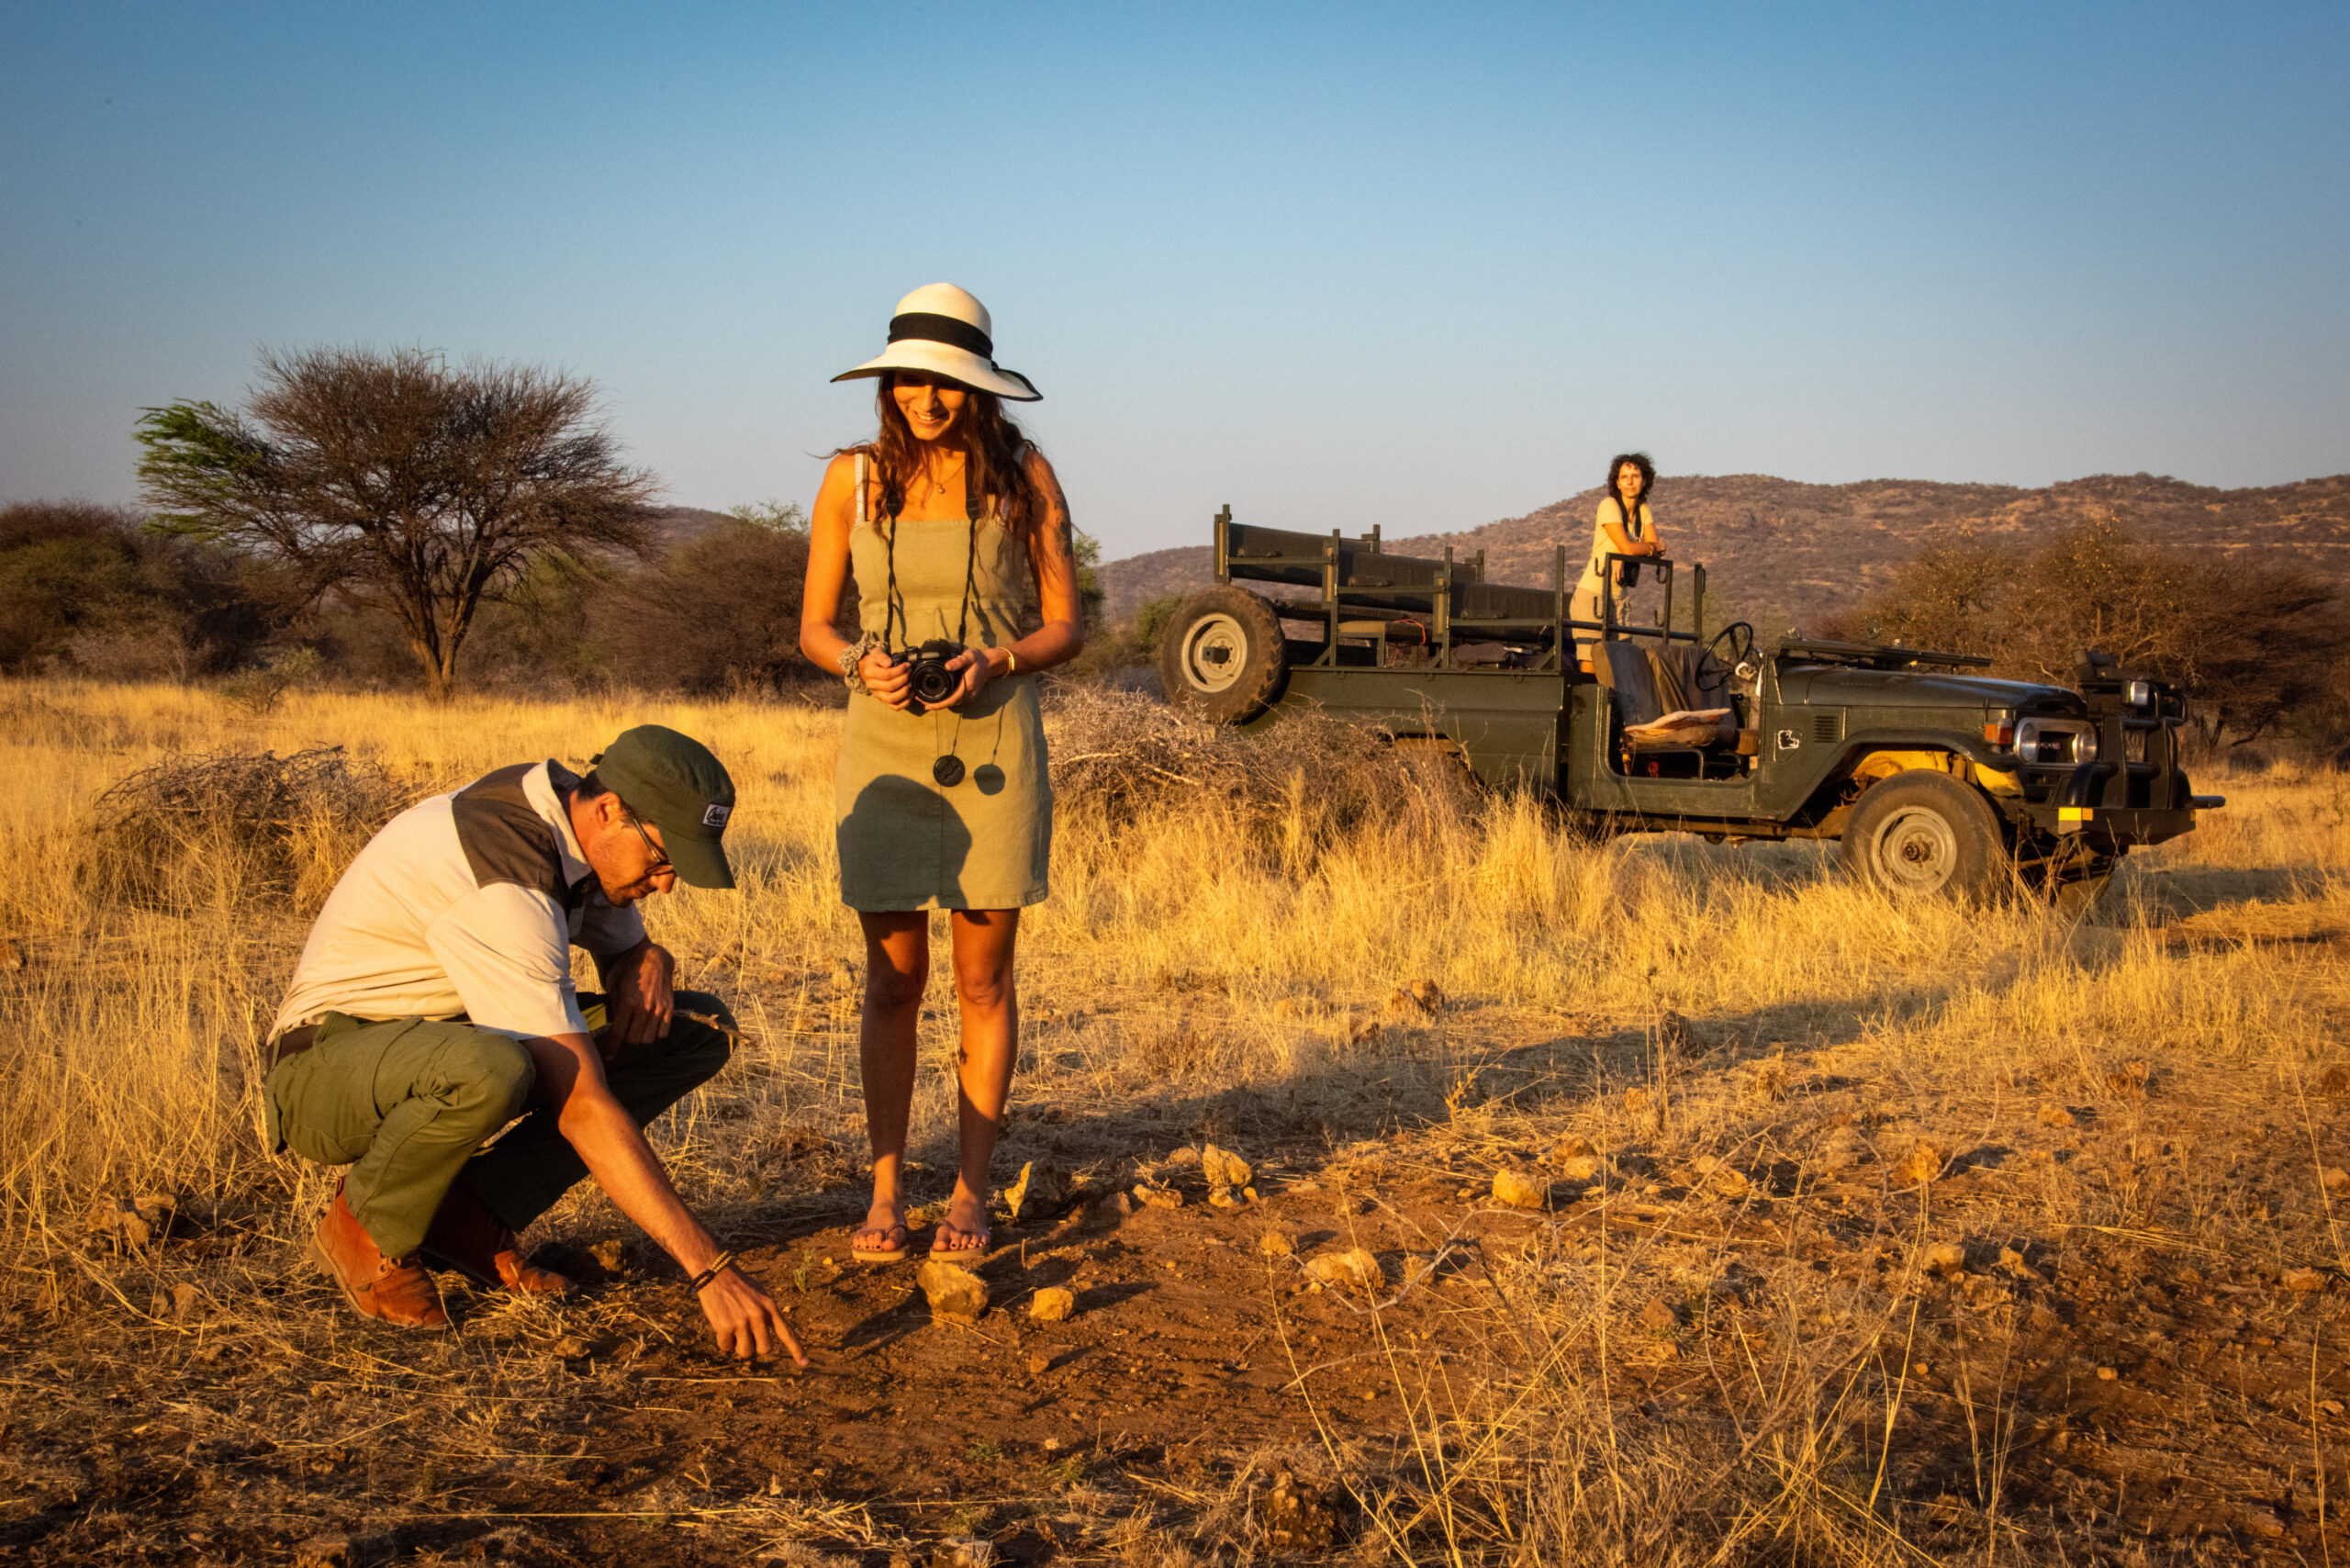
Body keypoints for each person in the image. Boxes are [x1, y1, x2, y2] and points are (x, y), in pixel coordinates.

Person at [264, 725, 803, 1364]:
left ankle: (463, 1214)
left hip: (441, 1038)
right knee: (493, 1070)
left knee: (695, 1029)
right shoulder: (506, 876)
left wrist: (652, 956)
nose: (666, 885)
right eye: (663, 859)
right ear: (610, 810)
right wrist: (709, 1269)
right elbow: (582, 1107)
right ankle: (367, 1222)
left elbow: (627, 954)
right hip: (324, 1069)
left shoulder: (567, 823)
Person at [798, 283, 1083, 1265]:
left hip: (994, 740)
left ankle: (970, 1189)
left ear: (979, 387)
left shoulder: (1024, 475)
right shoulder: (850, 479)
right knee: (891, 980)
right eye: (912, 380)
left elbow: (1065, 626)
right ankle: (885, 1190)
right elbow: (814, 627)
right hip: (883, 745)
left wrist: (997, 659)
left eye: (948, 382)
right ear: (889, 383)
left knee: (983, 981)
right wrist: (856, 662)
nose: (927, 398)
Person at [1572, 452, 1669, 672]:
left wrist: (1635, 551)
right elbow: (1634, 547)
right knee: (1591, 663)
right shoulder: (1609, 505)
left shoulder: (1643, 510)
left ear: (1645, 480)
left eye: (1635, 476)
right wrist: (1631, 551)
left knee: (1623, 666)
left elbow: (1658, 549)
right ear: (1617, 482)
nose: (1630, 481)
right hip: (1593, 594)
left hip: (1620, 598)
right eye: (1624, 477)